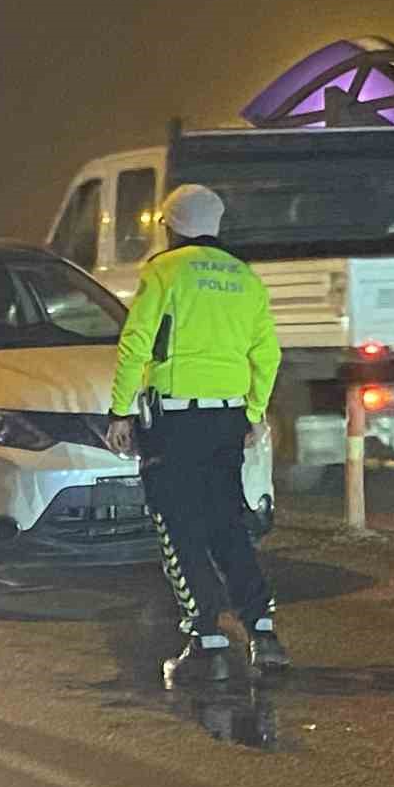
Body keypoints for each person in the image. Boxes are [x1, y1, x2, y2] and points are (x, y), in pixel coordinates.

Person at [105, 184, 287, 683]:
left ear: (170, 225)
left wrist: (119, 411)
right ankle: (263, 629)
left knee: (177, 523)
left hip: (175, 422)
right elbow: (267, 355)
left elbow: (137, 341)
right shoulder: (246, 279)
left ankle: (205, 634)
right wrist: (253, 412)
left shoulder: (164, 271)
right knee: (228, 522)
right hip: (227, 419)